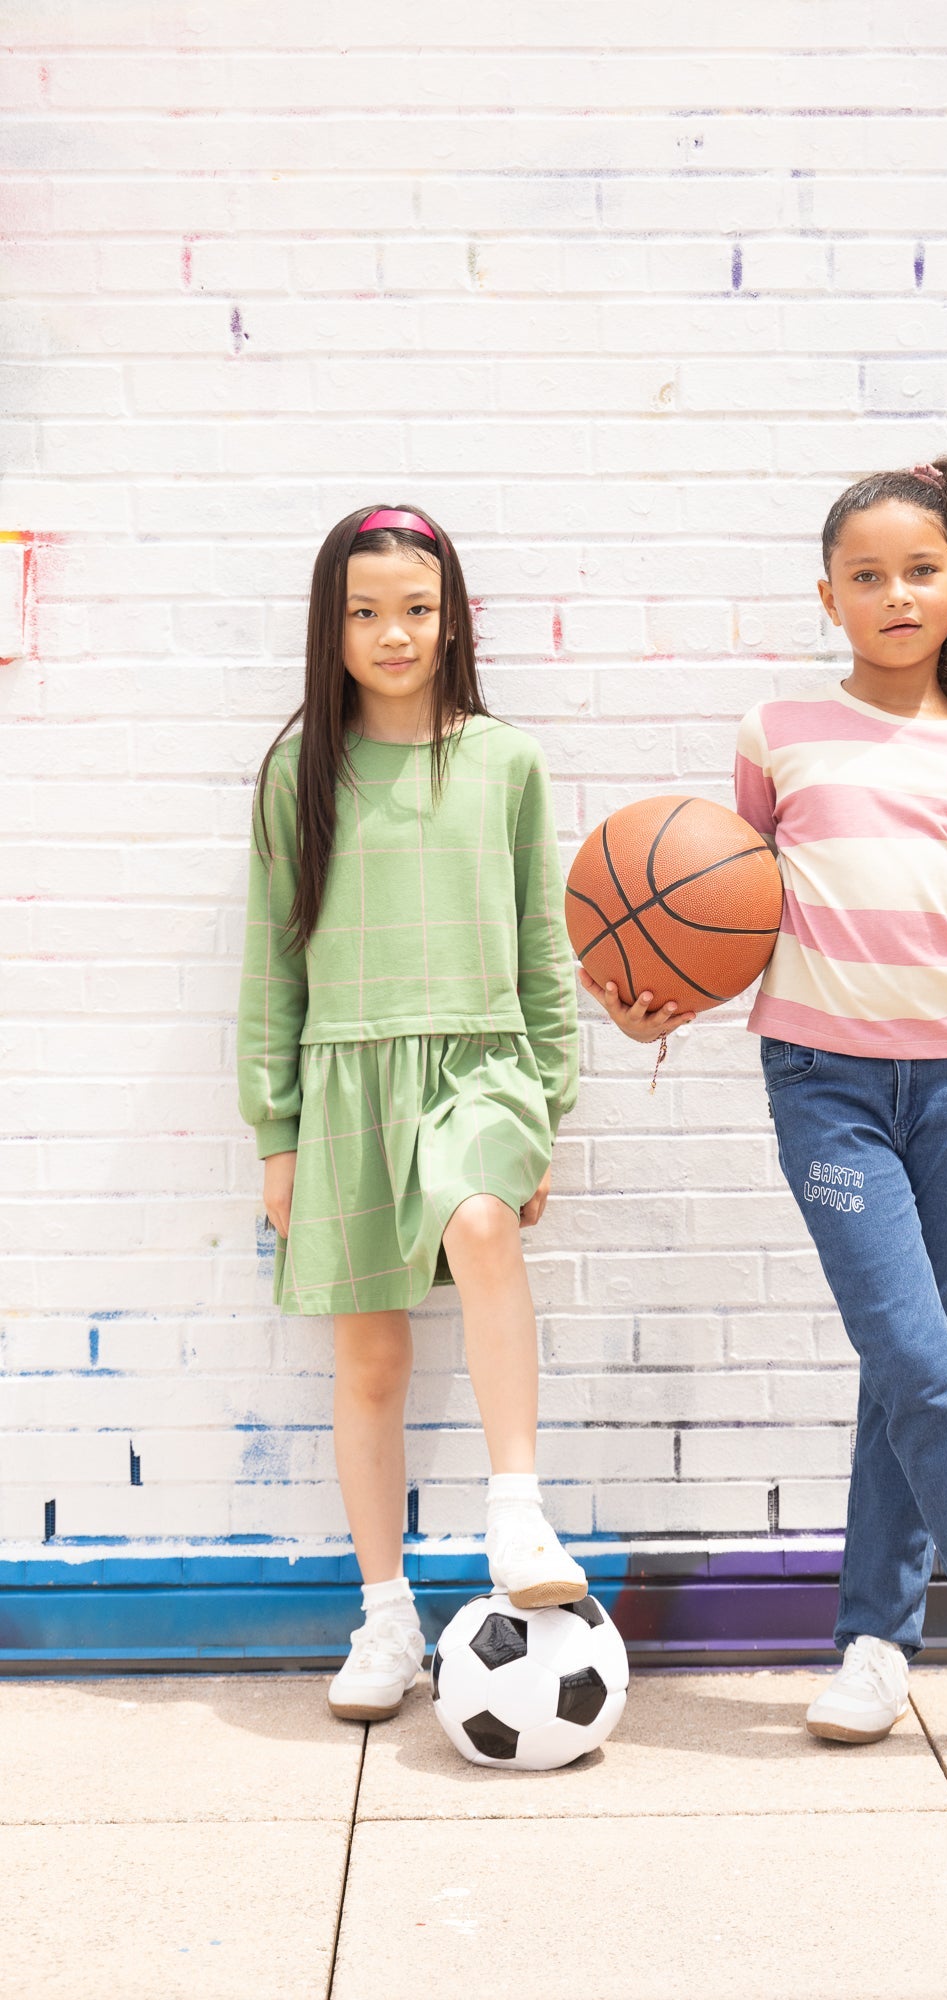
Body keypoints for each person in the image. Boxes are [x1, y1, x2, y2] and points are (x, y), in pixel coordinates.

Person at [585, 459, 947, 1768]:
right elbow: (721, 919)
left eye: (919, 570)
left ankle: (875, 1642)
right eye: (865, 573)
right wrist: (647, 1007)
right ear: (826, 593)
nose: (893, 593)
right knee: (920, 1363)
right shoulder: (777, 734)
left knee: (906, 1371)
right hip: (822, 1088)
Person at [239, 504, 584, 1723]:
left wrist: (547, 1090)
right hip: (344, 1081)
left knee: (483, 1223)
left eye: (418, 610)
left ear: (454, 619)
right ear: (331, 626)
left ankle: (514, 1508)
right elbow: (271, 964)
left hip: (481, 1064)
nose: (395, 633)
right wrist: (276, 1129)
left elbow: (545, 941)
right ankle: (386, 1616)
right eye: (366, 612)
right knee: (371, 1355)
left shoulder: (505, 761)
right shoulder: (300, 770)